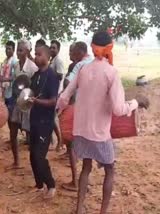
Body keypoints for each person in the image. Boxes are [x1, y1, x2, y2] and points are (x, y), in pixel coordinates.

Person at [57, 31, 149, 214]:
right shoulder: (111, 72)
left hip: (81, 130)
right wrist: (136, 102)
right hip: (99, 133)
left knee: (86, 167)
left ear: (92, 47)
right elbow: (118, 109)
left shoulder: (83, 69)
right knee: (110, 169)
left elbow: (64, 97)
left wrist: (60, 114)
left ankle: (79, 208)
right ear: (109, 48)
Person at [60, 42, 93, 192]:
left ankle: (75, 181)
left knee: (71, 145)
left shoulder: (78, 66)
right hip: (93, 111)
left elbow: (68, 83)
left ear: (80, 52)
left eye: (72, 52)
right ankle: (87, 180)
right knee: (88, 147)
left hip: (77, 109)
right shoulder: (95, 62)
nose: (70, 55)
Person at [28, 45, 59, 199]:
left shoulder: (52, 76)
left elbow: (53, 101)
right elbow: (30, 93)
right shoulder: (36, 75)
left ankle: (51, 185)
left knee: (39, 156)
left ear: (47, 57)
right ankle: (39, 185)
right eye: (35, 54)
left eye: (39, 54)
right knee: (32, 155)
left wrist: (36, 101)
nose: (36, 56)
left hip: (45, 122)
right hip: (33, 120)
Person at [6, 39, 38, 169]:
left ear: (27, 51)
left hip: (28, 105)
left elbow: (35, 87)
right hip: (17, 102)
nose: (18, 52)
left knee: (31, 135)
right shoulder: (16, 66)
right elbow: (15, 84)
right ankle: (16, 162)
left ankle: (35, 164)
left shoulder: (33, 67)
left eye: (21, 50)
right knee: (12, 131)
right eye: (18, 50)